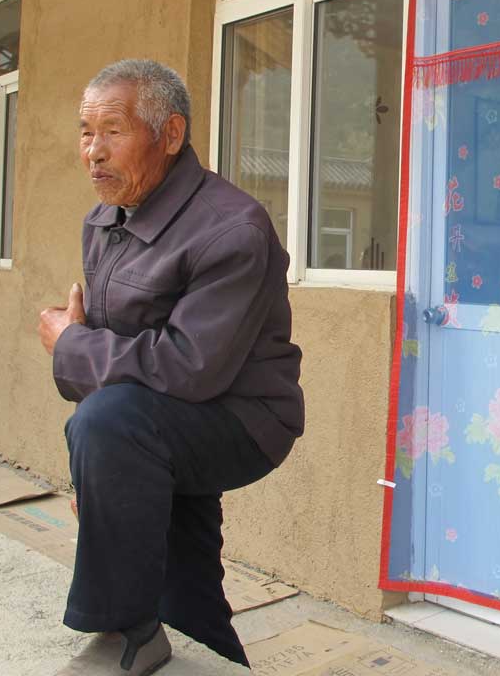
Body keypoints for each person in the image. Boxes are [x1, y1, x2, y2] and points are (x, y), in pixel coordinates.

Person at [37, 60, 304, 676]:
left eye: (112, 131)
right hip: (154, 418)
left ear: (171, 134)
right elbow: (113, 361)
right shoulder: (105, 221)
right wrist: (95, 467)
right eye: (84, 132)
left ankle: (123, 632)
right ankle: (186, 638)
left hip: (240, 418)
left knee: (113, 427)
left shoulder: (232, 228)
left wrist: (69, 345)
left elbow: (190, 366)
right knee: (188, 601)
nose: (93, 152)